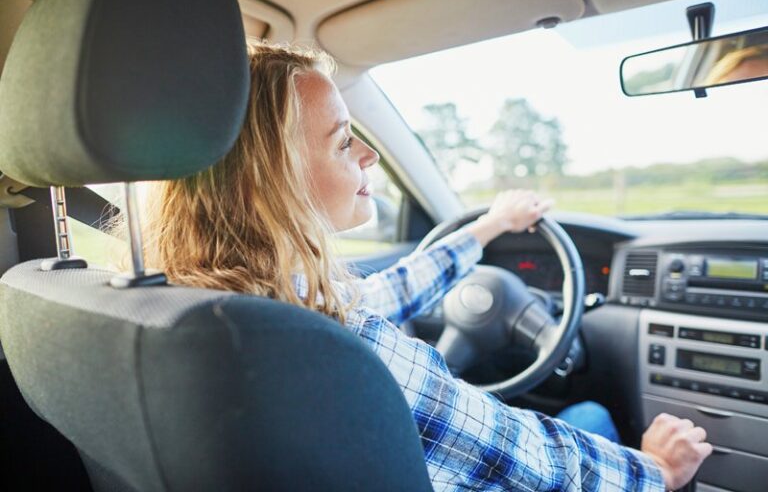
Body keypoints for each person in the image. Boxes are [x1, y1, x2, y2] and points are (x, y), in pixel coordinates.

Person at [138, 42, 711, 491]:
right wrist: (657, 469)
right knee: (592, 417)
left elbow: (385, 291)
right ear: (270, 180)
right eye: (343, 142)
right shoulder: (336, 346)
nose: (370, 154)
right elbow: (524, 455)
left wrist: (486, 228)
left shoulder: (195, 303)